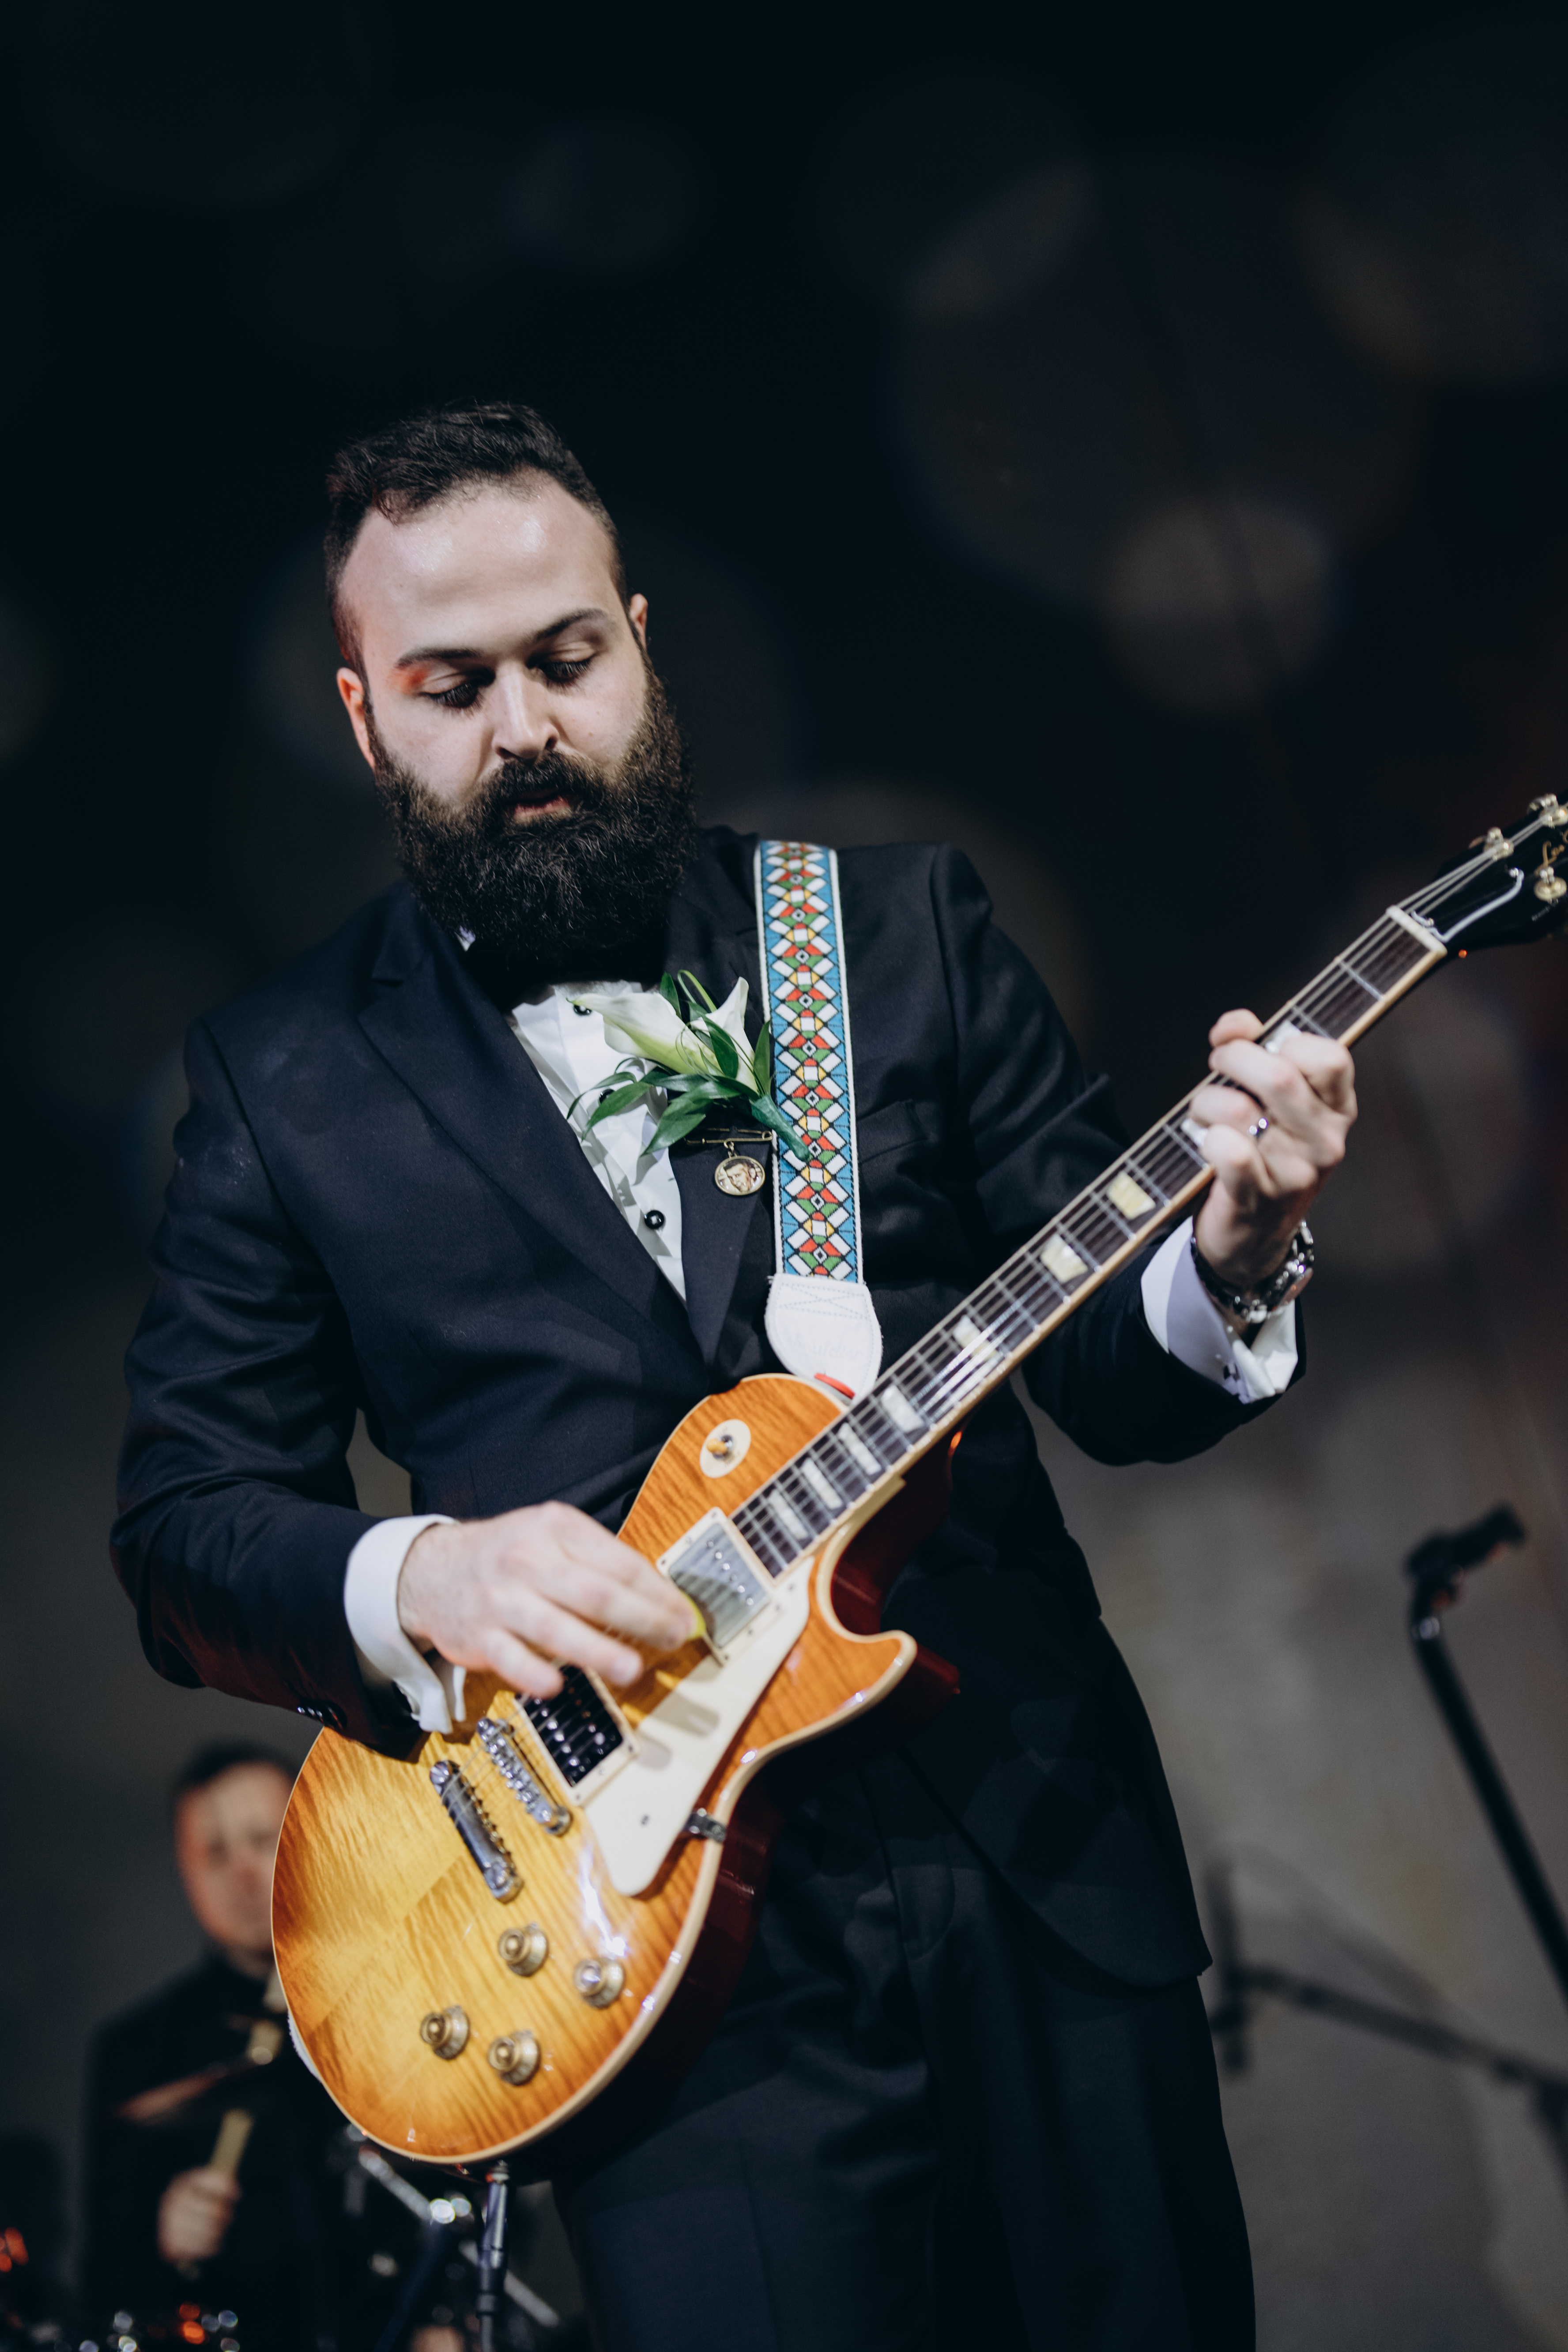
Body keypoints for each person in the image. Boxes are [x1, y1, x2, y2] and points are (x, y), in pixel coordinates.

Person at [113, 401, 1357, 2351]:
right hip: (649, 1978)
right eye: (454, 686)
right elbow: (186, 1529)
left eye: (565, 657)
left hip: (1031, 1859)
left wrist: (1239, 1242)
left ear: (639, 639)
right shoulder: (283, 1079)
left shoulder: (892, 931)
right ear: (364, 718)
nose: (525, 727)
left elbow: (1126, 1378)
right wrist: (426, 1575)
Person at [80, 1744, 439, 2350]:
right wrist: (163, 2244)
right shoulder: (137, 2050)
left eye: (264, 1839)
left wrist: (446, 2314)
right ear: (185, 1871)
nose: (244, 1874)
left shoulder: (401, 1997)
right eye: (215, 1853)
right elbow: (102, 2287)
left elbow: (477, 2189)